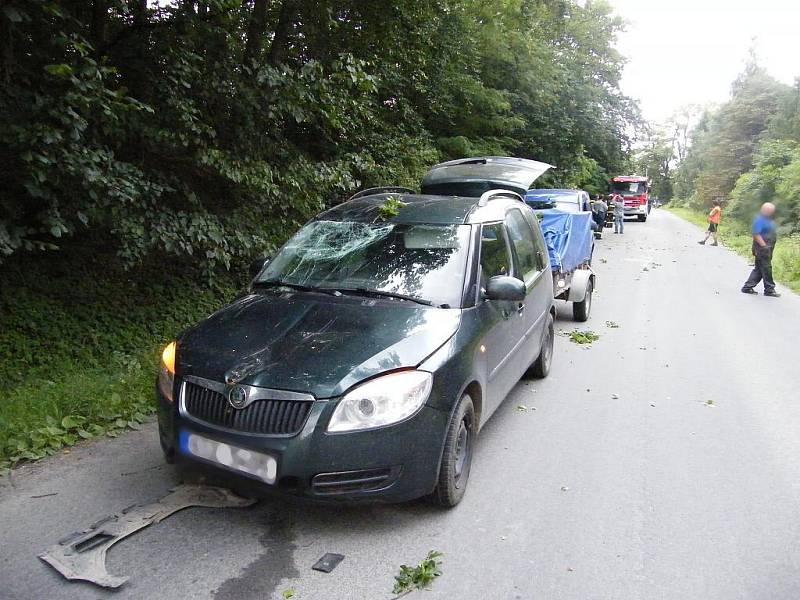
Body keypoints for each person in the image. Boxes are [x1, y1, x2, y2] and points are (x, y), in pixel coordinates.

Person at [741, 202, 780, 297]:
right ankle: (769, 289)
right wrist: (764, 246)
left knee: (759, 269)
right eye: (770, 210)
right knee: (766, 268)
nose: (771, 212)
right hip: (762, 248)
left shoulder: (767, 219)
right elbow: (756, 234)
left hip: (767, 248)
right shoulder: (759, 219)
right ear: (765, 210)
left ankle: (747, 287)